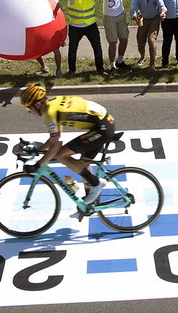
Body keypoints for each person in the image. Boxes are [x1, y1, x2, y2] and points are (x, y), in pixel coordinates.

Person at [19, 84, 117, 215]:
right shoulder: (53, 103)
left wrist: (37, 166)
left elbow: (55, 147)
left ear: (37, 104)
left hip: (102, 129)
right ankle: (88, 205)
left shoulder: (50, 113)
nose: (28, 111)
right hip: (103, 124)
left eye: (28, 107)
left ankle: (96, 183)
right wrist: (39, 149)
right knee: (82, 165)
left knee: (60, 155)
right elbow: (55, 137)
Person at [63, 0, 108, 77]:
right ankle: (72, 70)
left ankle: (100, 69)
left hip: (90, 25)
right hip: (75, 26)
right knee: (72, 48)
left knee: (97, 47)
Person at [99, 0, 142, 71]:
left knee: (124, 38)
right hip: (109, 17)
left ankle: (120, 60)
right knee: (113, 42)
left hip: (120, 15)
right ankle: (112, 65)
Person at [129, 0, 166, 71]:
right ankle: (143, 57)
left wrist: (162, 12)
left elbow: (162, 5)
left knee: (151, 40)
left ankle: (152, 64)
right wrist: (136, 18)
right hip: (143, 19)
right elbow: (133, 10)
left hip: (154, 19)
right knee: (140, 41)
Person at [33, 0, 65, 77]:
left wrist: (62, 36)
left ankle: (58, 70)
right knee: (35, 50)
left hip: (53, 30)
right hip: (41, 30)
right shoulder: (39, 2)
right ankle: (44, 67)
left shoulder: (57, 3)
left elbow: (61, 19)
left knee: (56, 50)